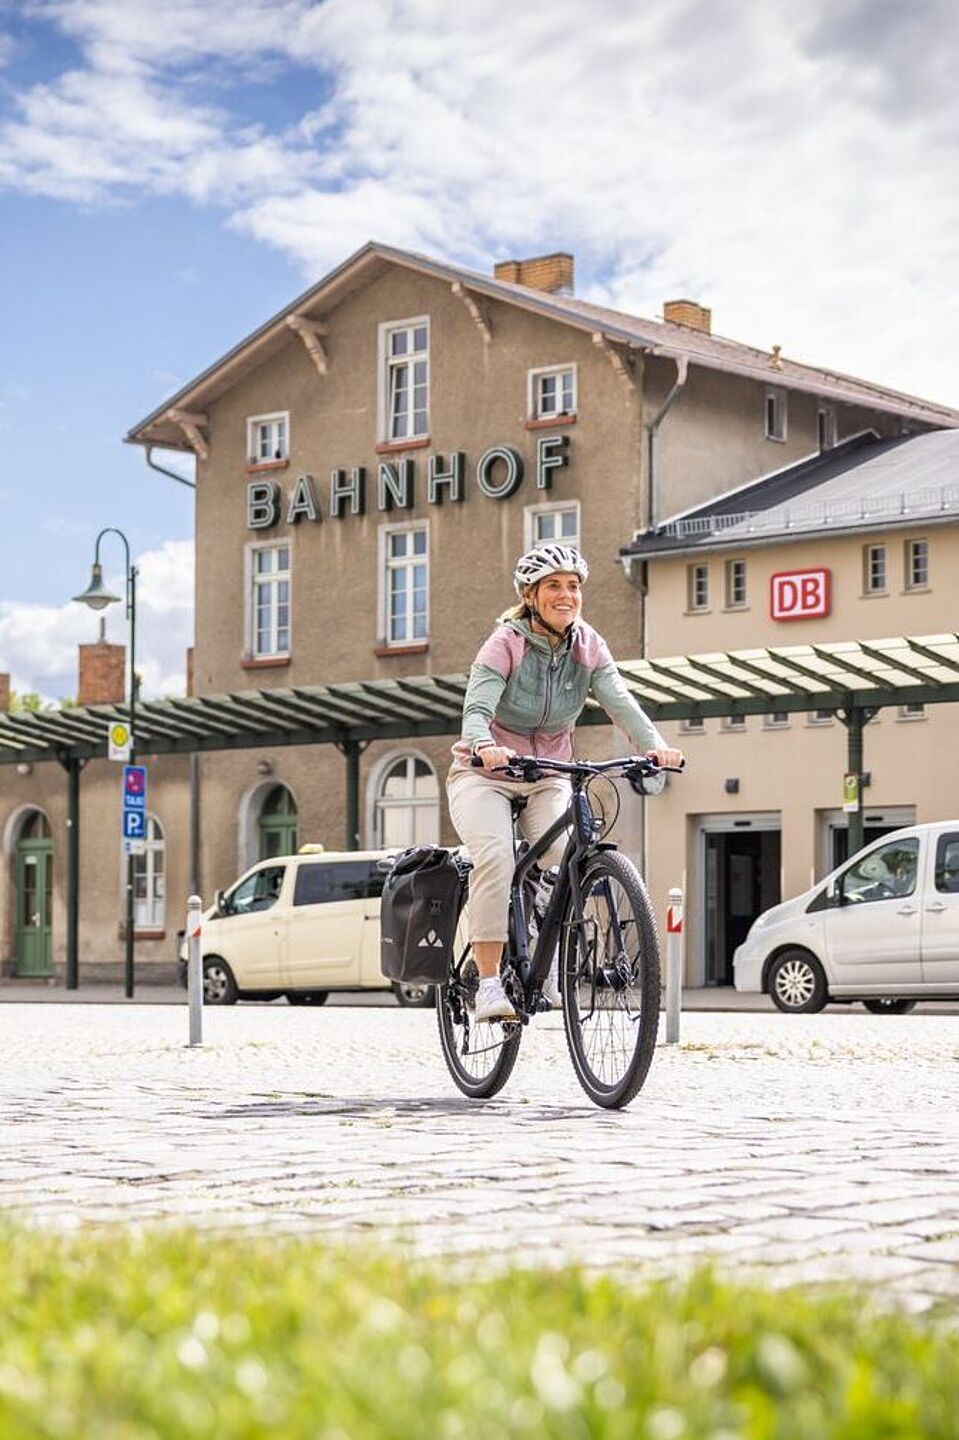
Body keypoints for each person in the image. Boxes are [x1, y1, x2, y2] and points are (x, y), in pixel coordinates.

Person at [448, 543, 684, 1023]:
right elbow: (477, 709)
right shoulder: (505, 643)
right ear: (531, 596)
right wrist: (481, 743)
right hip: (485, 774)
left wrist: (655, 744)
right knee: (495, 856)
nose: (566, 595)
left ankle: (546, 937)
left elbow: (620, 701)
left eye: (573, 586)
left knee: (567, 855)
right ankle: (488, 985)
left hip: (547, 774)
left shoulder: (588, 646)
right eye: (553, 586)